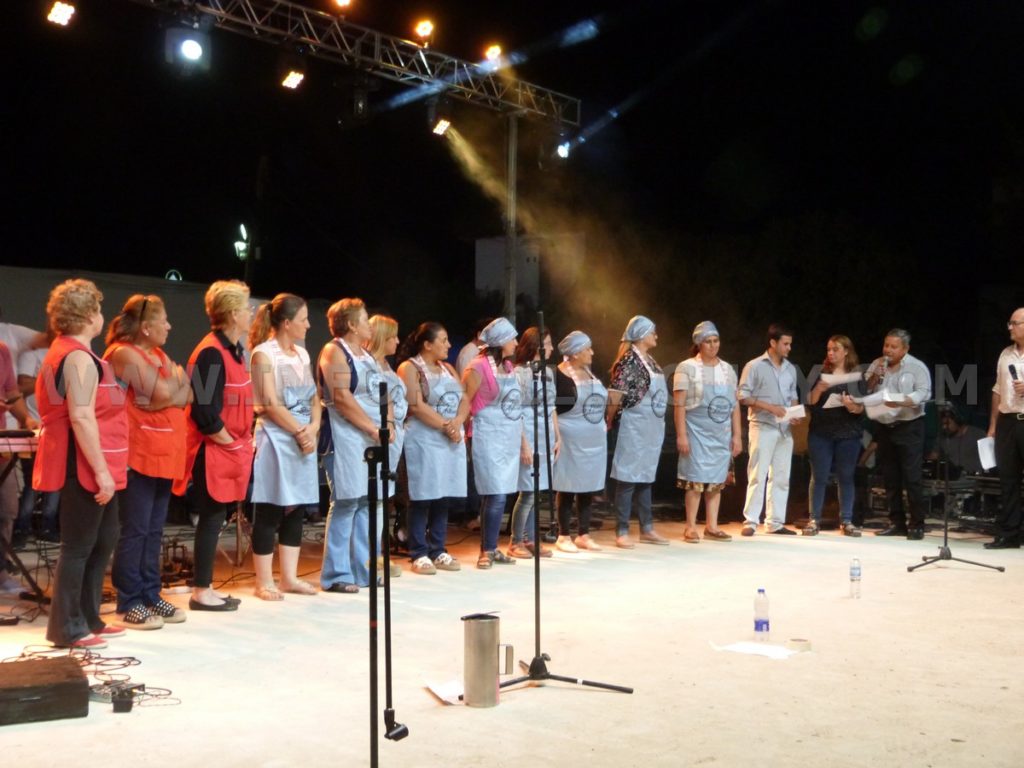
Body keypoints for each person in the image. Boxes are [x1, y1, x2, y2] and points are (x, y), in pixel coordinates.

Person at [34, 279, 128, 650]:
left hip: (94, 459)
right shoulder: (75, 357)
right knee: (78, 545)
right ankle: (66, 627)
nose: (102, 316)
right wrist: (101, 471)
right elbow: (82, 416)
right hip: (82, 461)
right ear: (89, 316)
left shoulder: (79, 355)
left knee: (103, 539)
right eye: (99, 309)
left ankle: (89, 616)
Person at [104, 294, 191, 628]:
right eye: (163, 320)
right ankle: (129, 601)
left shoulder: (158, 355)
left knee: (154, 530)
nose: (169, 326)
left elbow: (188, 392)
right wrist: (171, 388)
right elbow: (168, 392)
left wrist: (165, 395)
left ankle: (151, 594)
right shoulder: (123, 353)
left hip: (162, 453)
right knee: (136, 529)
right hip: (137, 454)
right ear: (145, 327)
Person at [175, 280, 254, 611]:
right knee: (211, 516)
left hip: (230, 447)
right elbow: (203, 410)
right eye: (247, 308)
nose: (251, 313)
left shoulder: (236, 351)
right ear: (233, 313)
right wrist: (231, 444)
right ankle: (201, 591)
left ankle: (205, 587)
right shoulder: (210, 352)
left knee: (217, 516)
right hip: (212, 449)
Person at [248, 294, 321, 600]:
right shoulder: (263, 355)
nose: (308, 324)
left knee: (297, 508)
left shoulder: (302, 354)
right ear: (287, 323)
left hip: (303, 439)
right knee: (270, 508)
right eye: (304, 319)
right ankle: (264, 581)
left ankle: (289, 578)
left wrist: (313, 429)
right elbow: (269, 402)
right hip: (277, 438)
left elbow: (314, 397)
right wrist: (299, 431)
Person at [319, 298, 391, 592]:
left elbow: (381, 391)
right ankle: (336, 574)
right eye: (364, 319)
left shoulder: (367, 355)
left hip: (368, 436)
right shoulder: (333, 351)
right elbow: (341, 397)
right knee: (346, 502)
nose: (369, 324)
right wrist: (372, 428)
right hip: (344, 436)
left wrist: (387, 422)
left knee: (366, 501)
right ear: (350, 324)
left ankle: (364, 570)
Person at [397, 322, 467, 574]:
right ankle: (418, 552)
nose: (449, 345)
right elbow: (415, 405)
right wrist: (446, 425)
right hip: (424, 440)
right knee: (422, 495)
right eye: (444, 340)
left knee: (443, 494)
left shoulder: (448, 368)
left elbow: (465, 399)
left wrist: (457, 422)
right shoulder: (409, 368)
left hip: (449, 439)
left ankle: (438, 548)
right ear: (427, 344)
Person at [462, 317, 523, 569]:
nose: (516, 343)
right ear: (500, 341)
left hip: (507, 435)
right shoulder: (477, 367)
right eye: (512, 338)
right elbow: (465, 401)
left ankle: (492, 547)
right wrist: (458, 430)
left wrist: (523, 442)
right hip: (486, 434)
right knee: (495, 493)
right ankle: (486, 550)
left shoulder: (508, 367)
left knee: (501, 493)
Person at [674, 321, 741, 543]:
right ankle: (690, 527)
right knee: (695, 480)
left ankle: (712, 526)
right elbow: (679, 404)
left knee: (715, 482)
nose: (713, 345)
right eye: (708, 342)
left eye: (716, 341)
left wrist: (737, 435)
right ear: (699, 344)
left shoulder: (727, 369)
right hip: (696, 431)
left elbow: (735, 405)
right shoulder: (686, 368)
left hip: (720, 434)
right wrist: (681, 435)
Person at [865, 328, 932, 540]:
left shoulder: (917, 367)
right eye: (886, 345)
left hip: (909, 426)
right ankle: (896, 523)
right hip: (885, 427)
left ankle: (917, 524)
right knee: (890, 477)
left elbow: (924, 393)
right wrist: (875, 376)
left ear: (905, 349)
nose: (888, 350)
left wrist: (900, 401)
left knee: (912, 478)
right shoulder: (877, 364)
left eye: (894, 347)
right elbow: (866, 388)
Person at [609, 315, 669, 548]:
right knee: (627, 478)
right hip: (633, 426)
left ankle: (647, 528)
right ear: (642, 335)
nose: (657, 336)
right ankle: (622, 530)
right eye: (653, 332)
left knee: (645, 477)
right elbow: (616, 394)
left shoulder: (650, 361)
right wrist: (609, 420)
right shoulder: (629, 361)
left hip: (650, 428)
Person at [738, 323, 801, 536]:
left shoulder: (790, 368)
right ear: (773, 343)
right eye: (785, 344)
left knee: (781, 476)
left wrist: (794, 413)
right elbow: (743, 396)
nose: (789, 348)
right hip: (762, 426)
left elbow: (793, 395)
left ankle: (774, 522)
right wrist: (770, 407)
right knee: (758, 473)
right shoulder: (755, 366)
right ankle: (750, 521)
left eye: (790, 344)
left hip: (784, 429)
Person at [551, 330, 609, 553]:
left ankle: (583, 534)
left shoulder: (590, 373)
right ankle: (563, 535)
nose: (592, 352)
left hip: (594, 441)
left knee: (587, 487)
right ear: (575, 353)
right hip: (570, 440)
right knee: (567, 486)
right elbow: (553, 409)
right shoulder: (559, 376)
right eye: (587, 349)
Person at [805, 335, 865, 537]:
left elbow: (862, 408)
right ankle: (814, 519)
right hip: (821, 432)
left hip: (848, 433)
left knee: (846, 476)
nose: (831, 353)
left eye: (836, 349)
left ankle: (846, 520)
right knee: (819, 476)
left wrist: (851, 406)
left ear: (846, 351)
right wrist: (818, 389)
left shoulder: (856, 375)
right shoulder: (819, 372)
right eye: (829, 349)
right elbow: (809, 402)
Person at [507, 327, 559, 558]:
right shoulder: (519, 373)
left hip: (545, 434)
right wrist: (523, 444)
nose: (552, 348)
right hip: (528, 433)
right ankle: (516, 541)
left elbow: (552, 406)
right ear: (537, 346)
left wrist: (558, 436)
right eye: (548, 343)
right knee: (528, 491)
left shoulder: (547, 372)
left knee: (537, 492)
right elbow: (515, 411)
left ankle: (530, 539)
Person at [366, 314, 409, 578]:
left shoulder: (386, 365)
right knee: (373, 498)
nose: (398, 341)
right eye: (393, 336)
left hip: (395, 437)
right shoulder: (369, 365)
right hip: (378, 436)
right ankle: (369, 557)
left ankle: (378, 555)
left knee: (384, 498)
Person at [12, 341, 59, 547]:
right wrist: (48, 376)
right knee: (32, 482)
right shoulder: (33, 355)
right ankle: (22, 528)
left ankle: (48, 526)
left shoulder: (73, 358)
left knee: (55, 482)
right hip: (33, 433)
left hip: (57, 433)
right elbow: (19, 390)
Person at [985, 308, 1024, 549]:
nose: (1010, 327)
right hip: (1008, 421)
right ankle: (1010, 533)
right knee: (1008, 479)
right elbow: (998, 390)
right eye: (1009, 323)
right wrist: (993, 425)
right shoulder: (1005, 354)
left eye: (1014, 323)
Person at [1, 340, 36, 594]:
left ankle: (1, 572)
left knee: (7, 509)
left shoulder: (2, 350)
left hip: (2, 446)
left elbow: (12, 393)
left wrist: (26, 418)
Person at [931, 404, 986, 475]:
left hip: (974, 478)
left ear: (958, 421)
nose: (944, 427)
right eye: (942, 424)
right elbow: (934, 456)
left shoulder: (978, 434)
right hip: (951, 478)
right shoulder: (942, 437)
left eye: (947, 423)